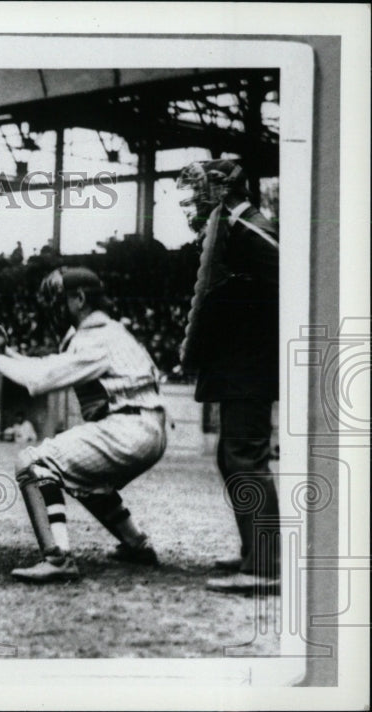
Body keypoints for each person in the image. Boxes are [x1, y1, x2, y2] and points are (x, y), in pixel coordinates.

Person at [0, 267, 167, 583]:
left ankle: (58, 557)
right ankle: (136, 543)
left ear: (80, 298)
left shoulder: (94, 337)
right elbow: (47, 367)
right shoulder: (110, 332)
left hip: (129, 429)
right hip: (144, 426)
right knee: (85, 479)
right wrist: (7, 354)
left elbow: (40, 378)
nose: (54, 308)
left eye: (60, 300)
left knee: (34, 463)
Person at [176, 159, 280, 594]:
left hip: (250, 364)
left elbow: (291, 284)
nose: (188, 206)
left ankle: (265, 568)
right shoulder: (231, 230)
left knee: (244, 455)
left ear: (220, 191)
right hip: (240, 364)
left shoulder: (250, 228)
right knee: (232, 455)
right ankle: (255, 553)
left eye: (195, 194)